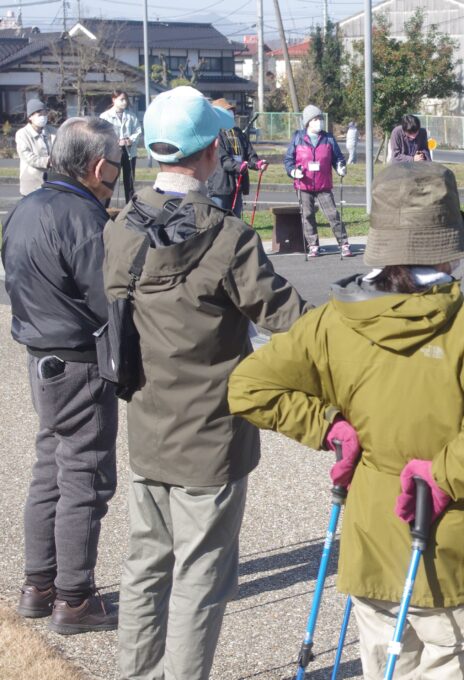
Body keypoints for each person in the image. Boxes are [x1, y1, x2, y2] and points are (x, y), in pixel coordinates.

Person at [228, 161, 464, 680]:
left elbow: (248, 386)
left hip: (371, 546)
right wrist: (445, 474)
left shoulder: (331, 322)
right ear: (450, 245)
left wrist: (326, 427)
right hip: (460, 550)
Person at [104, 86, 309, 680]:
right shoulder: (226, 237)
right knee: (201, 574)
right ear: (212, 151)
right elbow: (286, 317)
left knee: (145, 563)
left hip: (148, 420)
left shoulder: (122, 226)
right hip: (212, 433)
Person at [2, 116, 122, 634]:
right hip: (79, 360)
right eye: (117, 163)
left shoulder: (24, 209)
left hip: (39, 355)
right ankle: (74, 598)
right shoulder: (83, 218)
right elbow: (108, 300)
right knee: (84, 478)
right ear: (98, 167)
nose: (119, 172)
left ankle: (39, 584)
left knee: (50, 469)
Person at [284, 104, 352, 258]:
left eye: (320, 119)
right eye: (315, 119)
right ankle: (313, 245)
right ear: (308, 122)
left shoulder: (328, 138)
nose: (319, 122)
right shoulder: (298, 137)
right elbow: (288, 160)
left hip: (323, 184)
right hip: (304, 183)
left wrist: (341, 167)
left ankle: (344, 243)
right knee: (307, 215)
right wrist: (293, 171)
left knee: (333, 215)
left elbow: (338, 158)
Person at [207, 98, 267, 218]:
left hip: (238, 184)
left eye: (231, 111)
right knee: (220, 220)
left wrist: (257, 164)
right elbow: (223, 159)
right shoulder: (215, 133)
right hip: (221, 185)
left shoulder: (238, 133)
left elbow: (250, 154)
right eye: (227, 111)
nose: (231, 114)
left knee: (236, 219)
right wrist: (239, 166)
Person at [99, 90, 142, 202]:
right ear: (114, 100)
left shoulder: (131, 116)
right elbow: (101, 134)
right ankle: (104, 208)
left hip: (129, 153)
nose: (124, 102)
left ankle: (130, 208)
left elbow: (138, 131)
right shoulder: (105, 116)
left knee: (129, 182)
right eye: (121, 99)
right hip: (112, 154)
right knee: (109, 181)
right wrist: (116, 141)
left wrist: (130, 140)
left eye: (126, 99)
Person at [15, 98, 56, 196]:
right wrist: (48, 161)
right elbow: (27, 156)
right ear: (30, 117)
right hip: (31, 183)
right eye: (39, 114)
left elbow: (60, 147)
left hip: (51, 182)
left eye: (45, 114)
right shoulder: (22, 134)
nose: (43, 117)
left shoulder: (52, 131)